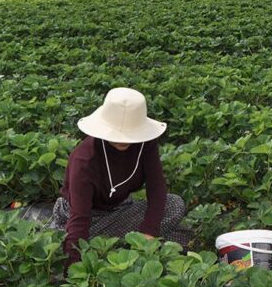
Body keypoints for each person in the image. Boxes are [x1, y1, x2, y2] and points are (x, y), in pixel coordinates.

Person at [49, 88, 189, 268]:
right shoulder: (84, 159)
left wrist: (148, 232)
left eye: (131, 133)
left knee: (174, 204)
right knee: (77, 240)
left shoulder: (145, 144)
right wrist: (74, 271)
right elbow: (80, 218)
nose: (123, 139)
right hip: (83, 216)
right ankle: (111, 248)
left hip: (119, 210)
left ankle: (111, 248)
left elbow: (157, 187)